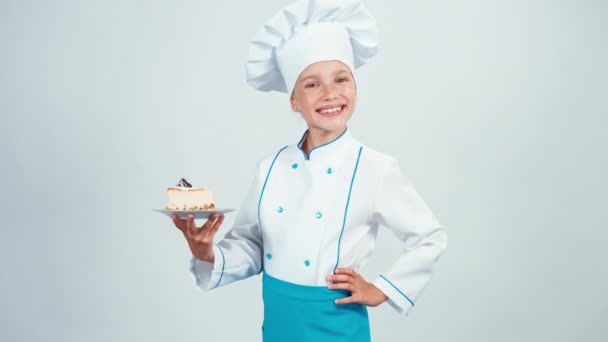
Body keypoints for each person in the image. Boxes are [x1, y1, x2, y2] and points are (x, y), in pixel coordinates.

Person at [171, 0, 447, 341]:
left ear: (355, 88)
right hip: (280, 321)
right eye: (312, 84)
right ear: (293, 101)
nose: (330, 93)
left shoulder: (375, 168)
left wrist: (382, 290)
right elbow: (252, 246)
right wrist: (206, 252)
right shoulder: (271, 167)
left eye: (341, 79)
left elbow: (428, 237)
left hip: (336, 322)